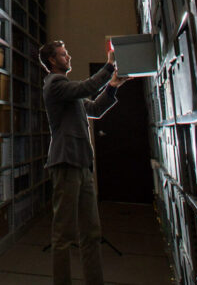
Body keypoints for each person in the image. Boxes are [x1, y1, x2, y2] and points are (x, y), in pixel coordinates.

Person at [39, 40, 128, 285]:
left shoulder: (69, 92)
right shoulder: (55, 84)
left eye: (67, 53)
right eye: (63, 54)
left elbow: (95, 109)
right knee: (63, 235)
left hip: (81, 165)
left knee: (92, 233)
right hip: (65, 163)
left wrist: (111, 87)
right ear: (52, 61)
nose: (68, 57)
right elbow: (86, 87)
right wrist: (109, 67)